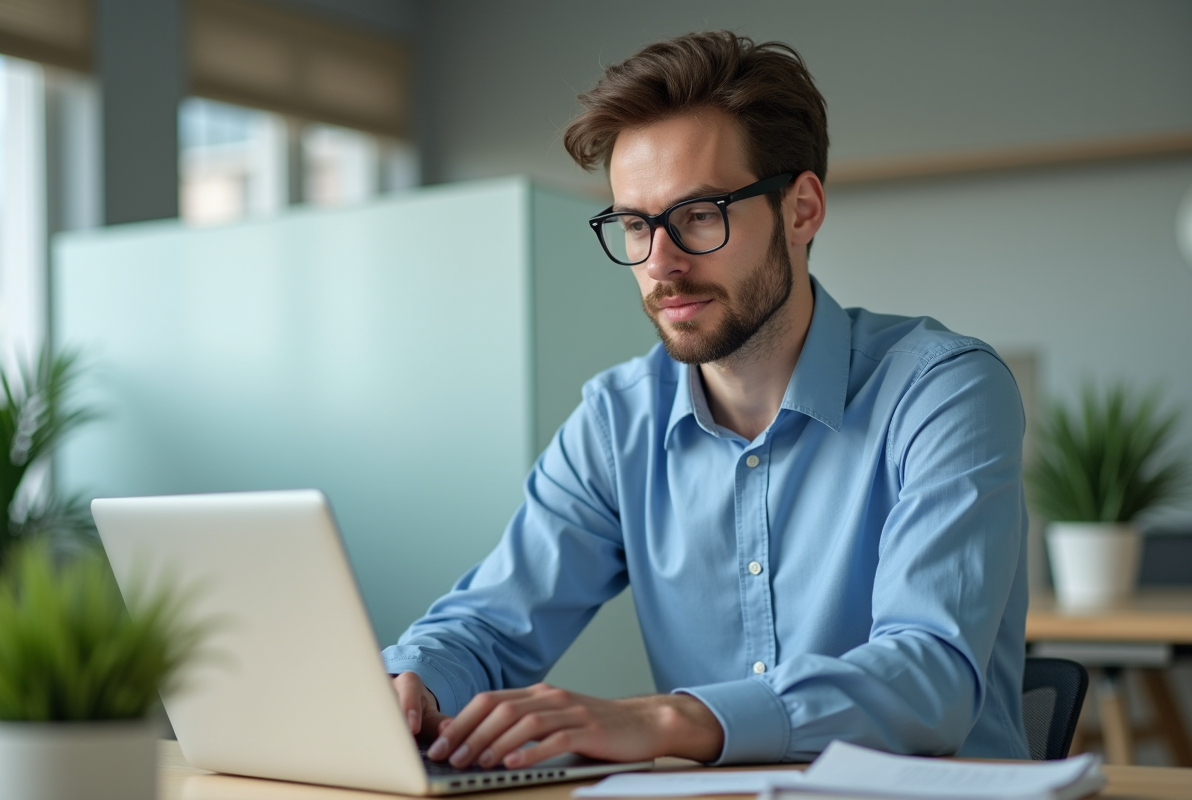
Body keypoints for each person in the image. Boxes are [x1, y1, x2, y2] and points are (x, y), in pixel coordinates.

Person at [383, 30, 1030, 768]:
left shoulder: (942, 390)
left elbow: (929, 678)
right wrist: (414, 684)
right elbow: (491, 626)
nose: (661, 263)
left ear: (802, 210)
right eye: (634, 223)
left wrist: (665, 720)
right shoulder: (617, 421)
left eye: (699, 215)